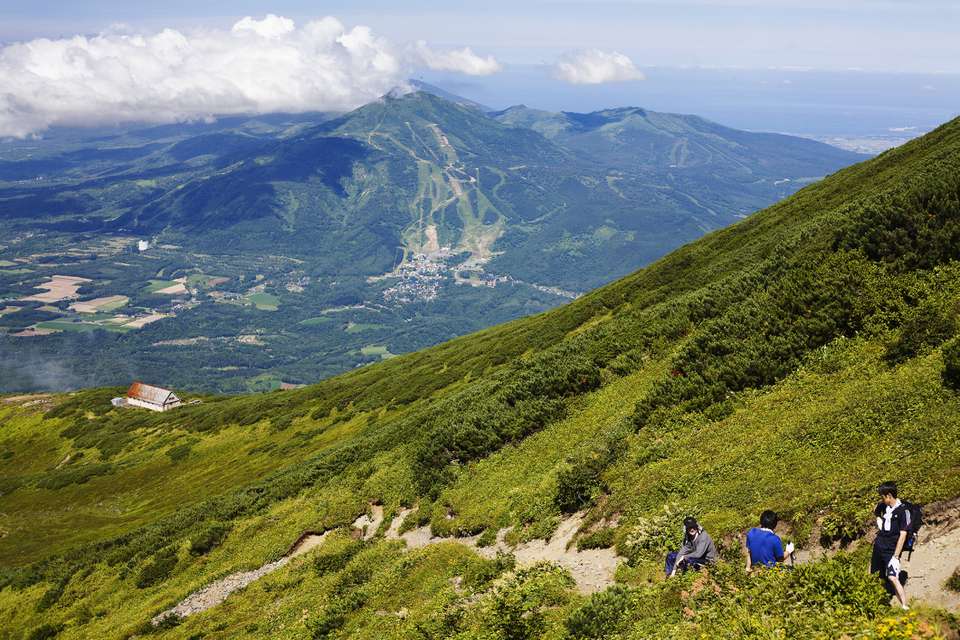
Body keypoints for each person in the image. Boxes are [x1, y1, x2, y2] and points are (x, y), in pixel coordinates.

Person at [872, 481, 911, 610]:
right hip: (879, 545)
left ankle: (904, 606)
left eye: (883, 497)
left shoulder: (903, 511)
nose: (882, 500)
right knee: (876, 575)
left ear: (889, 495)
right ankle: (877, 603)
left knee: (893, 577)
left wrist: (895, 556)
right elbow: (876, 511)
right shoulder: (883, 506)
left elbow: (903, 535)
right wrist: (879, 519)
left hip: (891, 549)